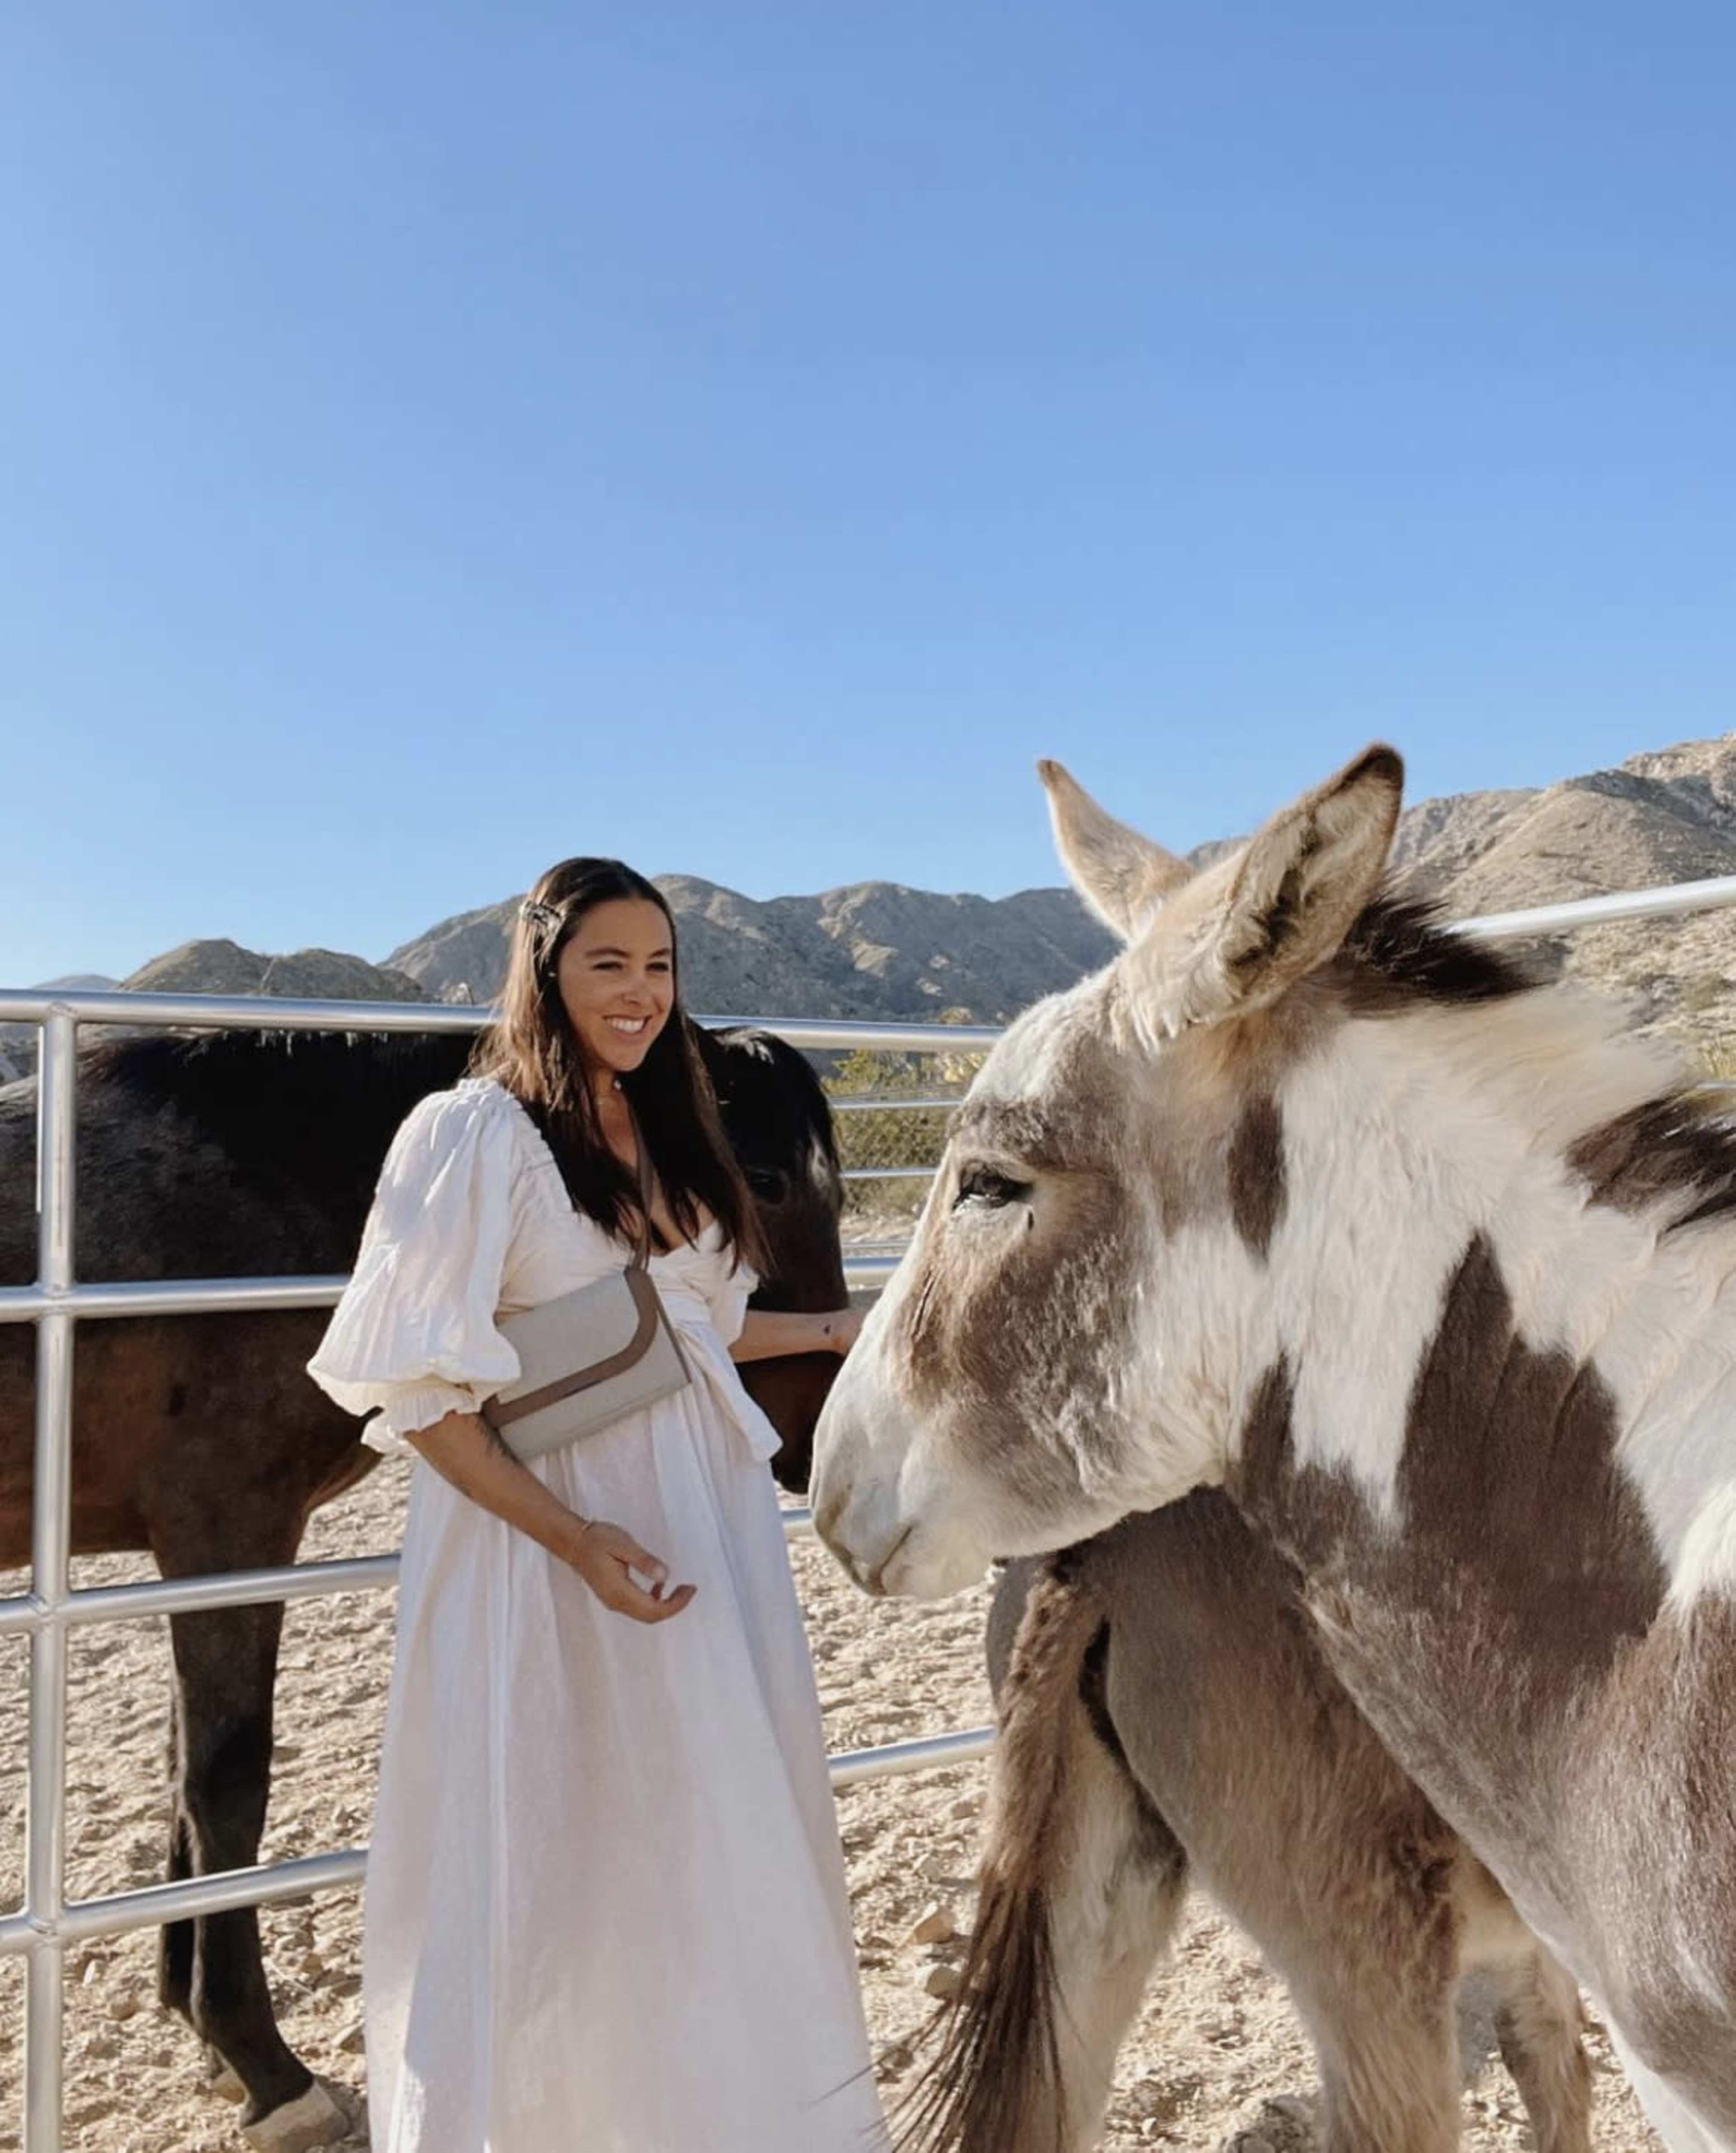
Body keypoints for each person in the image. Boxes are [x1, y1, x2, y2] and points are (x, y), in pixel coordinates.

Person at [307, 858, 889, 2153]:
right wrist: (575, 1541)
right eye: (608, 964)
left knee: (703, 1841)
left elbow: (691, 1332)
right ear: (546, 968)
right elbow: (420, 1396)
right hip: (551, 1544)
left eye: (659, 967)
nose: (638, 993)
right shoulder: (472, 1135)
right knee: (558, 1844)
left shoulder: (670, 1125)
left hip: (706, 1526)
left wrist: (843, 1327)